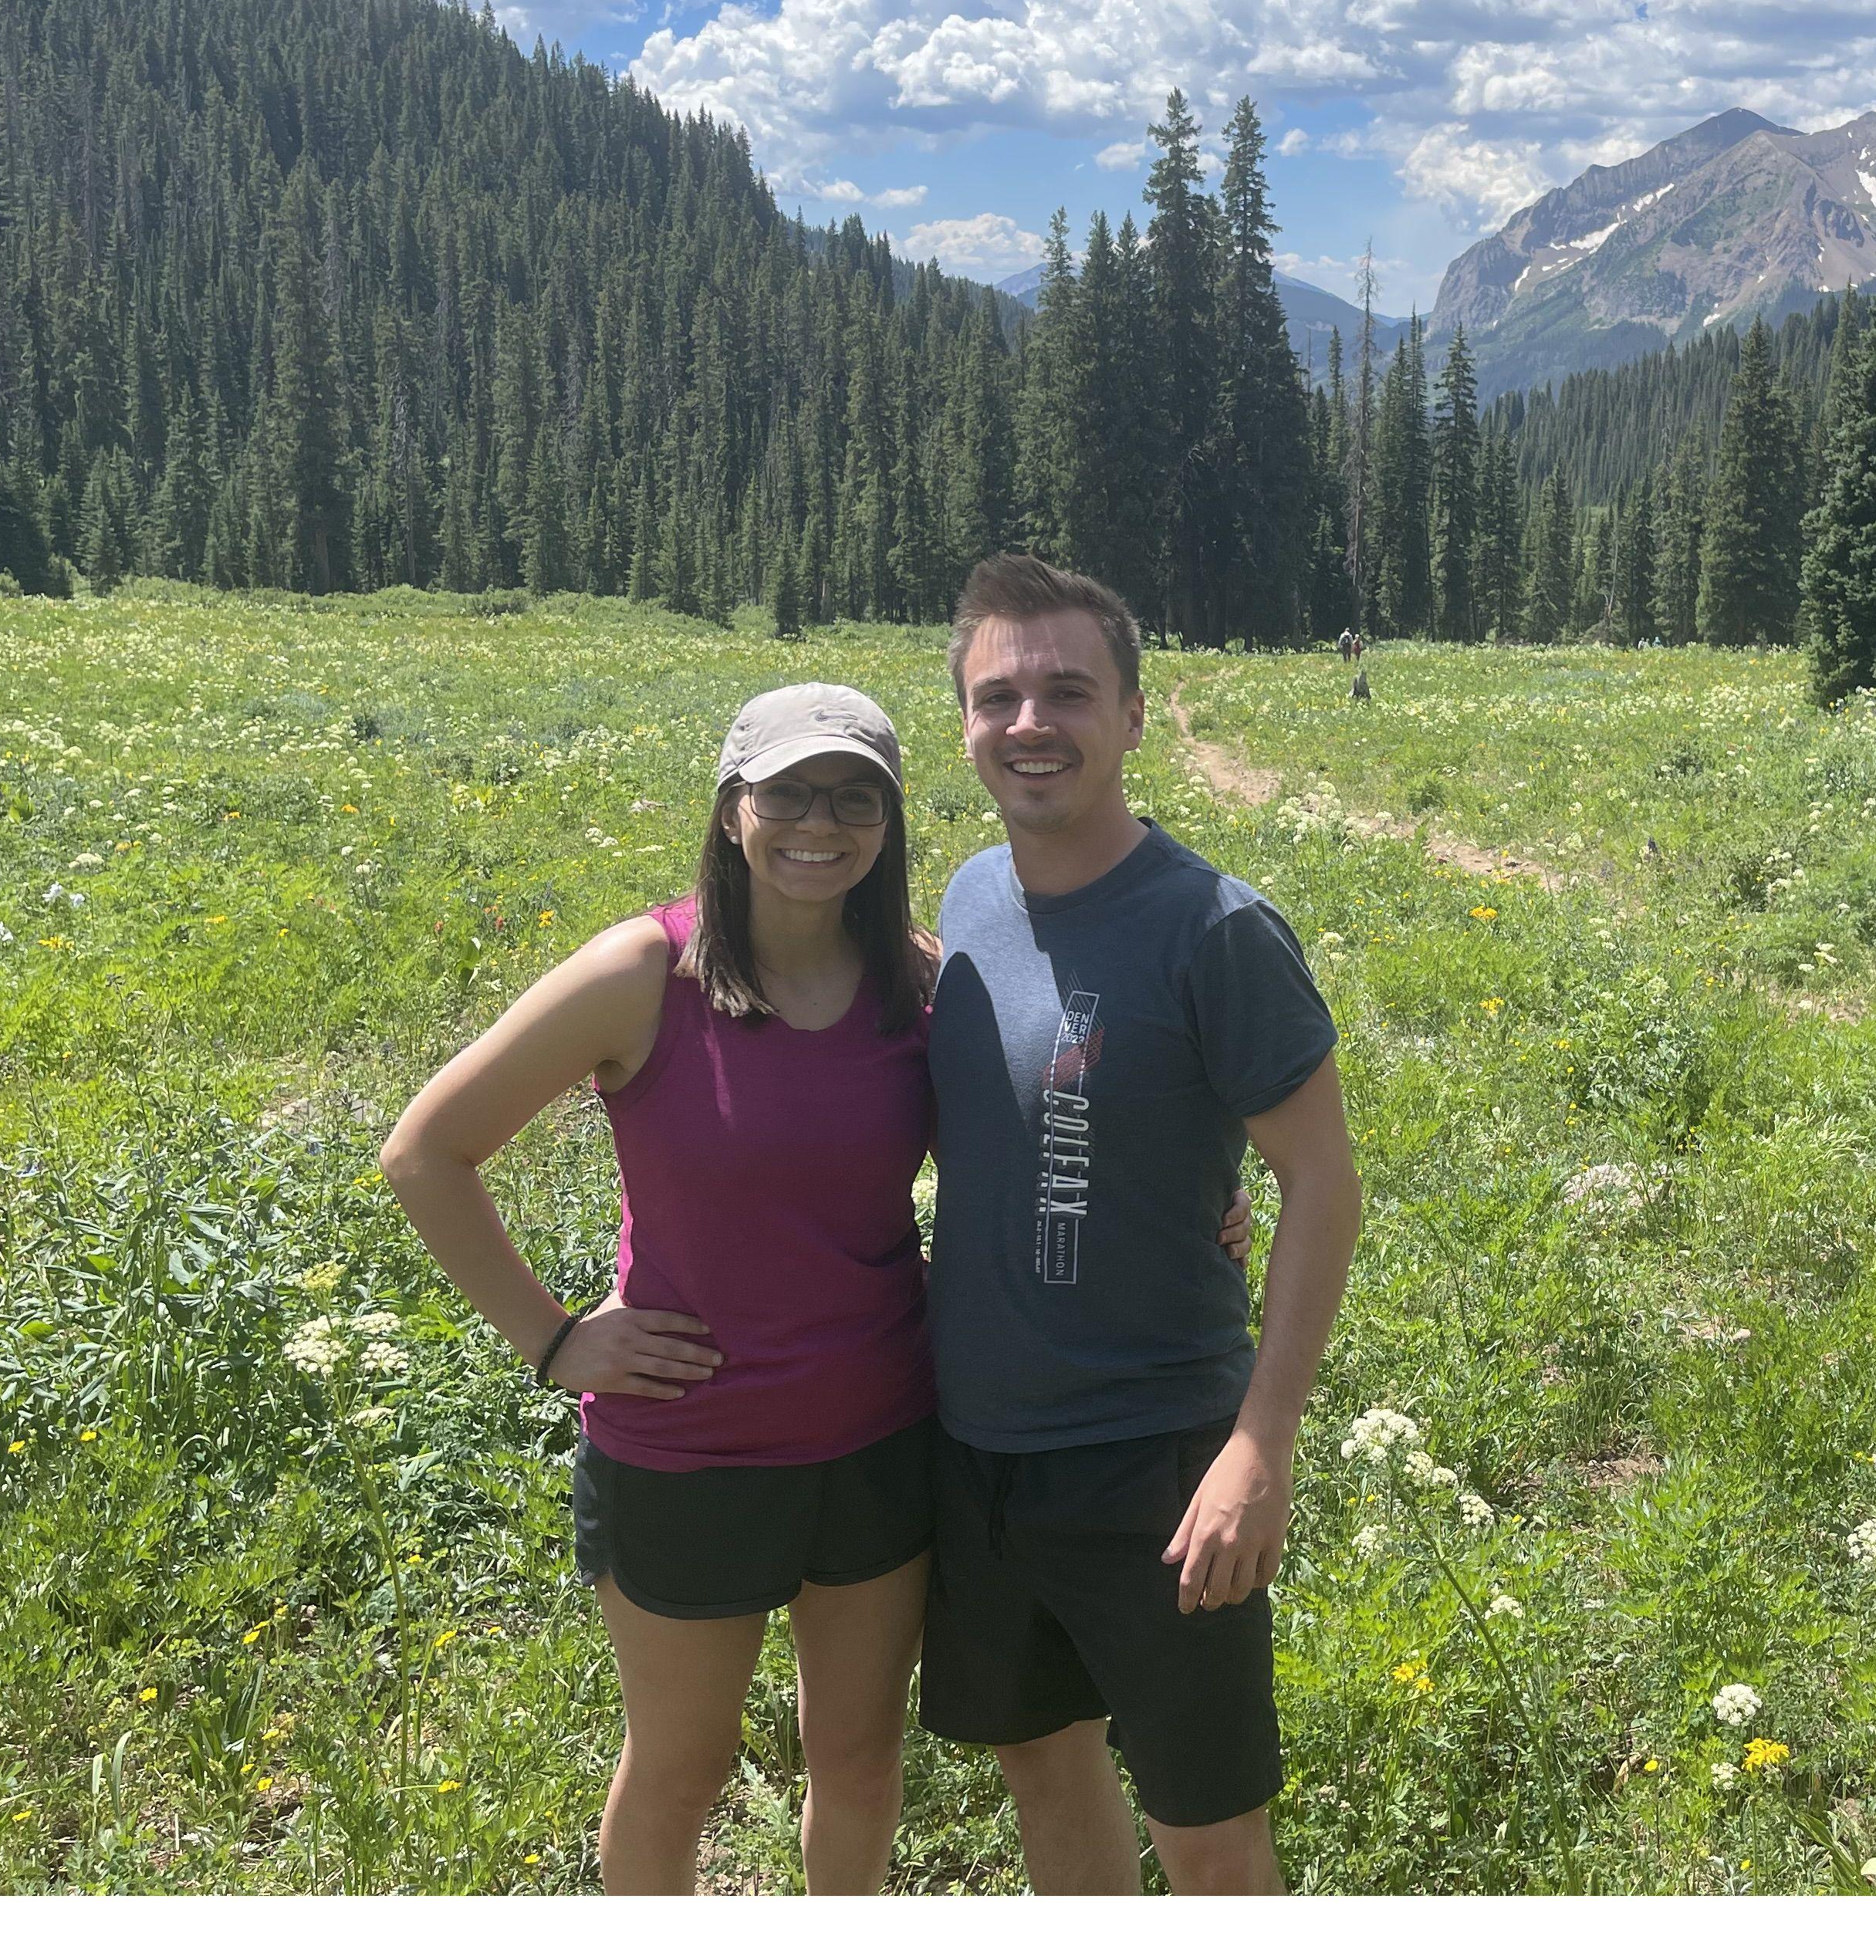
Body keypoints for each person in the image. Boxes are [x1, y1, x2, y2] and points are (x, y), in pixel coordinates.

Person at [380, 681, 1251, 1895]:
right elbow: (425, 1150)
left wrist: (1198, 1199)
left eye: (855, 799)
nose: (819, 824)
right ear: (733, 807)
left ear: (888, 825)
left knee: (859, 1762)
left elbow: (1041, 1133)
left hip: (883, 1442)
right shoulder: (643, 973)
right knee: (680, 1769)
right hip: (689, 1450)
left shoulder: (920, 982)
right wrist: (554, 1338)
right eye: (788, 793)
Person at [920, 553, 1363, 1894]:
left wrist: (1258, 1450)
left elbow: (1326, 1188)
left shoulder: (1214, 931)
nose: (1030, 723)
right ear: (965, 726)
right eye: (998, 696)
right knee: (1043, 1766)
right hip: (977, 1447)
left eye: (1068, 690)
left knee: (1208, 1826)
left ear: (1133, 716)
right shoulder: (965, 901)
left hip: (1158, 1458)